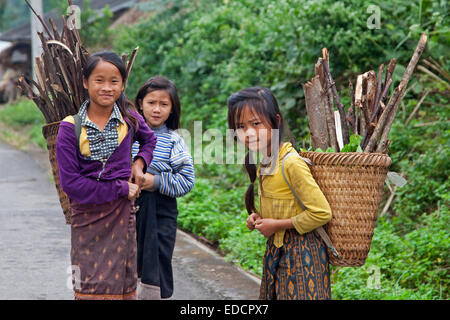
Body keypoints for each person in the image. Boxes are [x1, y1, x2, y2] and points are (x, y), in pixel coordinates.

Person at [56, 51, 157, 300]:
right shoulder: (70, 128)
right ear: (85, 82)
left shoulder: (128, 119)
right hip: (87, 220)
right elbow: (72, 184)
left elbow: (149, 140)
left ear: (123, 85)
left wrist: (139, 164)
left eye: (114, 81)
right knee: (90, 287)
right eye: (99, 80)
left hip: (122, 217)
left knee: (122, 287)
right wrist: (120, 188)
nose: (107, 87)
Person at [227, 86, 332, 300]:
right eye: (241, 126)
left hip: (303, 257)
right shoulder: (266, 161)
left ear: (275, 120)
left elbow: (321, 213)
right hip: (278, 252)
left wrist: (276, 225)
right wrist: (259, 218)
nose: (248, 132)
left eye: (256, 123)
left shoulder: (291, 162)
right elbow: (284, 206)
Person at [132, 76, 194, 300]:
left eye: (164, 104)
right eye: (151, 103)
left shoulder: (174, 141)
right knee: (128, 260)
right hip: (129, 208)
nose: (157, 109)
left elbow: (187, 180)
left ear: (172, 109)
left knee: (158, 260)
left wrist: (155, 182)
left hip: (161, 211)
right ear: (140, 103)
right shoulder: (127, 134)